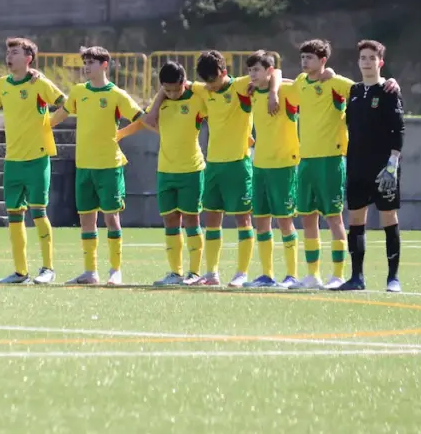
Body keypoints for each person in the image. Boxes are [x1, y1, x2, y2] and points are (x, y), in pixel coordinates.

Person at [145, 50, 280, 287]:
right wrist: (156, 106)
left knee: (243, 220)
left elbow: (275, 72)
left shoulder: (240, 86)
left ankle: (241, 273)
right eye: (206, 82)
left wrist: (274, 93)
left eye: (214, 81)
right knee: (212, 220)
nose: (211, 86)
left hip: (238, 164)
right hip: (213, 166)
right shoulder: (203, 89)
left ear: (224, 73)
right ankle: (211, 272)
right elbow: (174, 85)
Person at [292, 39, 399, 289]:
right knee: (307, 218)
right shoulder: (299, 82)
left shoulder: (336, 83)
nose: (304, 62)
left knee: (334, 218)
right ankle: (312, 275)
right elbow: (280, 79)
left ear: (323, 61)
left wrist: (391, 82)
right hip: (305, 161)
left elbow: (368, 89)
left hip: (330, 160)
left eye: (309, 57)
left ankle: (338, 274)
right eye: (302, 57)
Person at [50, 46, 146, 285]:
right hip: (84, 166)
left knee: (112, 218)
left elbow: (140, 118)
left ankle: (115, 270)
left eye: (91, 62)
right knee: (86, 219)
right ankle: (90, 271)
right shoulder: (78, 92)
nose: (86, 66)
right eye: (85, 62)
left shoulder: (117, 94)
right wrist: (40, 127)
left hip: (109, 165)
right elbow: (60, 114)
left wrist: (121, 134)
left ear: (104, 65)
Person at [0, 37, 66, 285]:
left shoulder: (39, 83)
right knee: (14, 217)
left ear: (28, 58)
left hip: (37, 159)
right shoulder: (1, 86)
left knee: (39, 213)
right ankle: (20, 272)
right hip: (13, 161)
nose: (9, 57)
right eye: (8, 52)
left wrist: (47, 123)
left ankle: (48, 269)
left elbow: (66, 103)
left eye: (15, 52)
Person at [118, 61, 207, 286]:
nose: (172, 94)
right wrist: (119, 135)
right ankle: (175, 272)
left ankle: (194, 272)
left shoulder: (197, 100)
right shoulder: (162, 103)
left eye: (176, 89)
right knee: (170, 220)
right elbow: (144, 122)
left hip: (191, 170)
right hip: (165, 171)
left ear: (184, 83)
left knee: (191, 219)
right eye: (166, 90)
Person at [337, 39, 405, 292]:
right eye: (363, 58)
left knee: (388, 217)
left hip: (383, 167)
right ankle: (356, 277)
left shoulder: (388, 91)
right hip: (356, 165)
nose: (367, 62)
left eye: (371, 58)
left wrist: (393, 163)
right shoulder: (354, 92)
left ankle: (393, 278)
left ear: (380, 62)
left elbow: (398, 128)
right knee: (356, 219)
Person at [244, 51, 302, 288]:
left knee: (285, 221)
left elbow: (283, 75)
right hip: (260, 165)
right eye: (250, 71)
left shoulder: (285, 91)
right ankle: (267, 275)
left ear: (268, 71)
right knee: (261, 221)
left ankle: (292, 275)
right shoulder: (253, 93)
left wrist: (275, 91)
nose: (252, 75)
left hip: (283, 165)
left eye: (256, 70)